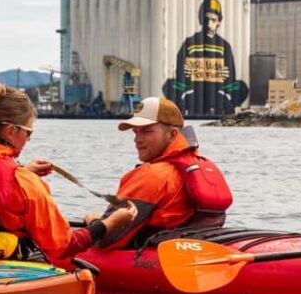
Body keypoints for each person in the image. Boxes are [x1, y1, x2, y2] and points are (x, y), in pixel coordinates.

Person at [0, 82, 137, 261]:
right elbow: (63, 247)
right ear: (12, 130)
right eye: (29, 133)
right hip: (7, 264)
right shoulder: (26, 182)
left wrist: (19, 170)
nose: (29, 139)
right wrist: (109, 223)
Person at [90, 96, 233, 249]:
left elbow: (105, 240)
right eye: (136, 132)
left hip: (154, 258)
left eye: (146, 131)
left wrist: (93, 222)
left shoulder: (152, 175)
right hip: (193, 247)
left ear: (172, 134)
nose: (137, 139)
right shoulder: (204, 165)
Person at [164, 0, 248, 117]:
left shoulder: (224, 46)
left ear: (219, 22)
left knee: (242, 87)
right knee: (169, 85)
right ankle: (180, 110)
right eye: (207, 19)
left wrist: (226, 75)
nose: (209, 24)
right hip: (193, 90)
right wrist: (184, 72)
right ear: (201, 19)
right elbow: (180, 69)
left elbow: (231, 76)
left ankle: (226, 109)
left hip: (218, 91)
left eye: (213, 20)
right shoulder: (189, 43)